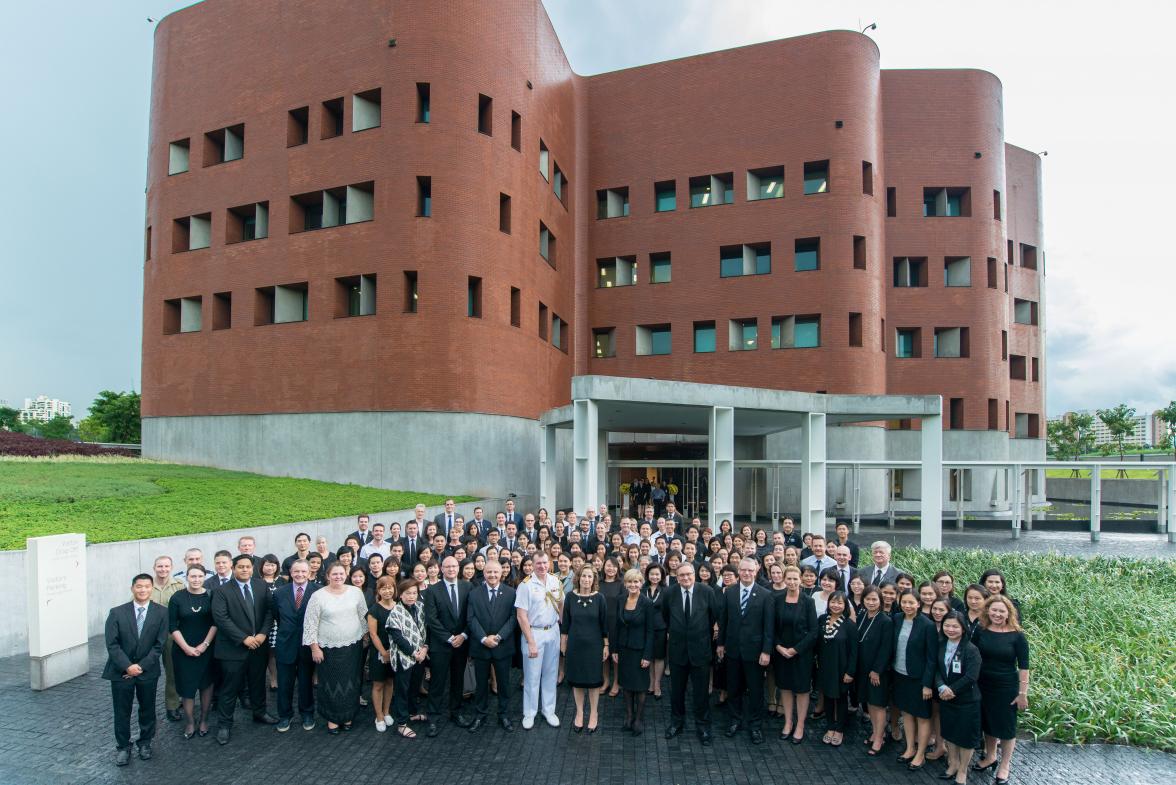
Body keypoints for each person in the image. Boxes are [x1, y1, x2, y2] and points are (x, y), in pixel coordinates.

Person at [211, 555, 277, 745]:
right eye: (240, 567)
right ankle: (224, 724)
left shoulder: (261, 586)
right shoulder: (222, 591)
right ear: (233, 568)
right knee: (230, 687)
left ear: (252, 568)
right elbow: (221, 618)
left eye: (248, 567)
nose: (245, 570)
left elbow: (269, 611)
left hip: (258, 645)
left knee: (258, 682)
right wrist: (243, 639)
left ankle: (260, 712)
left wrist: (263, 633)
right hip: (233, 649)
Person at [103, 573, 168, 766]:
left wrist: (141, 666)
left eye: (147, 587)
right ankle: (123, 746)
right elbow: (112, 644)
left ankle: (145, 742)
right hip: (121, 671)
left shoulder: (161, 612)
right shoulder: (117, 612)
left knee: (147, 709)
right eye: (139, 587)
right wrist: (128, 666)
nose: (143, 590)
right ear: (132, 588)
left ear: (152, 588)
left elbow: (160, 644)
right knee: (122, 711)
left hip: (147, 671)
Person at [302, 562, 368, 734]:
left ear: (346, 574)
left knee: (351, 684)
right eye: (334, 574)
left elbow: (363, 616)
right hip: (328, 649)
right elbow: (310, 624)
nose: (338, 577)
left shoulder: (356, 592)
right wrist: (314, 648)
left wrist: (366, 638)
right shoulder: (318, 596)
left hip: (353, 646)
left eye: (341, 573)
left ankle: (348, 716)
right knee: (331, 684)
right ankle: (332, 718)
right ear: (328, 576)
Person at [973, 595, 1030, 785]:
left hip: (1006, 687)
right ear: (988, 610)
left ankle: (1005, 764)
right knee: (988, 723)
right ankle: (990, 756)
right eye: (994, 610)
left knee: (1006, 727)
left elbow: (1024, 667)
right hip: (982, 684)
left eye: (1001, 611)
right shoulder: (981, 631)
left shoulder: (1017, 636)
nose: (997, 614)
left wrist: (1022, 694)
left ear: (1008, 613)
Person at [717, 557, 773, 744]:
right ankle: (734, 720)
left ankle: (755, 726)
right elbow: (723, 621)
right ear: (738, 571)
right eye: (743, 570)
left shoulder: (765, 594)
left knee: (756, 691)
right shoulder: (729, 592)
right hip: (732, 650)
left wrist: (766, 651)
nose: (747, 573)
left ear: (756, 571)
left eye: (750, 570)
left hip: (755, 652)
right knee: (733, 688)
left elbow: (768, 627)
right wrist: (721, 644)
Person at [663, 562, 719, 745]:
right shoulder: (670, 593)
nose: (685, 578)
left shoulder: (707, 592)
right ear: (676, 577)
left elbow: (713, 617)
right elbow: (666, 616)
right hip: (678, 651)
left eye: (688, 575)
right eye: (681, 576)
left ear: (694, 574)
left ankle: (703, 726)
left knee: (701, 692)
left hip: (700, 651)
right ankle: (676, 723)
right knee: (676, 691)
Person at [422, 555, 473, 736]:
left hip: (462, 643)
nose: (451, 569)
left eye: (454, 566)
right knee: (437, 682)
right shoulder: (432, 590)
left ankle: (456, 712)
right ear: (441, 569)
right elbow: (432, 619)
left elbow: (471, 615)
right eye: (447, 567)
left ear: (458, 568)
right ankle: (433, 717)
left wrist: (464, 635)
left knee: (458, 681)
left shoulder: (468, 587)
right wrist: (450, 638)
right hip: (441, 645)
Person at [167, 563, 217, 740]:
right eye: (193, 576)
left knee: (206, 685)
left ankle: (204, 720)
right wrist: (187, 648)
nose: (196, 580)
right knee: (187, 688)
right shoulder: (177, 597)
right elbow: (172, 626)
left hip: (207, 649)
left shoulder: (211, 596)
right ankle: (189, 722)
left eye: (199, 576)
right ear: (187, 577)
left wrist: (204, 645)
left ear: (205, 577)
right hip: (183, 650)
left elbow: (215, 623)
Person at [467, 559, 517, 732]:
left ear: (502, 573)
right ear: (484, 573)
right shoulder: (474, 594)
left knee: (504, 684)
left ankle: (503, 715)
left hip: (502, 647)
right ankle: (480, 715)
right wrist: (483, 638)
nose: (493, 575)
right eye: (489, 572)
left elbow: (513, 618)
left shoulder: (511, 593)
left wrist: (498, 637)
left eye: (496, 572)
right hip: (481, 647)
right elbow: (471, 619)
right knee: (481, 685)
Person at [269, 559, 319, 733]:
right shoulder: (279, 593)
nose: (300, 575)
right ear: (290, 573)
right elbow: (277, 616)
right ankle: (285, 716)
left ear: (309, 573)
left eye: (303, 572)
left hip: (307, 645)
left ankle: (307, 713)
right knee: (285, 683)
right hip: (285, 644)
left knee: (306, 682)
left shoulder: (317, 592)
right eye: (296, 572)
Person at [515, 551, 564, 729]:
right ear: (532, 565)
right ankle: (529, 713)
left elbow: (561, 605)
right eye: (538, 564)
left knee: (551, 673)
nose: (542, 566)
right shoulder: (525, 585)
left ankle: (549, 710)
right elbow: (521, 616)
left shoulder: (555, 581)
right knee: (532, 675)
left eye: (545, 563)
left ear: (549, 563)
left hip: (552, 631)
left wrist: (562, 630)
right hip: (534, 633)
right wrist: (531, 642)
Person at [892, 589, 937, 770]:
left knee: (922, 716)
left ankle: (920, 754)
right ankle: (909, 748)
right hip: (899, 674)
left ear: (918, 604)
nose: (907, 606)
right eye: (904, 602)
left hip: (918, 679)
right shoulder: (897, 619)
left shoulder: (927, 625)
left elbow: (932, 658)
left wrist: (927, 684)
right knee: (906, 713)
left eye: (911, 603)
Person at [772, 565, 817, 744]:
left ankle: (800, 725)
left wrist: (796, 649)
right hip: (782, 652)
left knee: (802, 689)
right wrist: (778, 646)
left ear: (801, 580)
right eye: (788, 579)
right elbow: (772, 627)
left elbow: (814, 631)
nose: (791, 582)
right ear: (784, 579)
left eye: (795, 579)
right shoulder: (777, 599)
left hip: (801, 653)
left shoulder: (808, 601)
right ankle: (788, 722)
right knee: (785, 687)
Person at [936, 611, 983, 785]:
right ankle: (953, 763)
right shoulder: (941, 645)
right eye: (947, 625)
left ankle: (963, 770)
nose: (950, 629)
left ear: (963, 628)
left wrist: (952, 690)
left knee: (965, 737)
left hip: (966, 700)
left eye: (955, 626)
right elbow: (936, 669)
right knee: (950, 733)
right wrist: (942, 686)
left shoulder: (971, 649)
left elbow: (971, 676)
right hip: (946, 698)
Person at [562, 565, 609, 733]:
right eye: (584, 576)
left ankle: (594, 714)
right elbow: (565, 623)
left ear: (594, 580)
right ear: (578, 578)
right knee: (578, 681)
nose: (586, 580)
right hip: (575, 645)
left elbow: (605, 624)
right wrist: (563, 643)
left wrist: (606, 645)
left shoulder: (600, 598)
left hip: (594, 646)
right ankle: (580, 714)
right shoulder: (569, 597)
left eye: (590, 577)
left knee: (593, 682)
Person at [612, 568, 654, 735]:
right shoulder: (620, 599)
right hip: (623, 649)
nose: (633, 584)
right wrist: (614, 648)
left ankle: (639, 718)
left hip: (640, 650)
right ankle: (628, 716)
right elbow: (616, 626)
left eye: (636, 581)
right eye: (630, 581)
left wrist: (647, 655)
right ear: (625, 584)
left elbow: (650, 631)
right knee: (627, 684)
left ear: (641, 583)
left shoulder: (647, 603)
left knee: (640, 686)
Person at [386, 579, 429, 738]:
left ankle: (412, 713)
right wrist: (414, 653)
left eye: (414, 593)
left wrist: (424, 648)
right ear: (400, 594)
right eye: (407, 593)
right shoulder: (395, 612)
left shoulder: (420, 607)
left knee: (414, 686)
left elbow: (427, 629)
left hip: (420, 655)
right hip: (404, 657)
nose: (411, 596)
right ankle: (402, 723)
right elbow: (397, 637)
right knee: (402, 690)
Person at [854, 585, 894, 755]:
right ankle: (876, 732)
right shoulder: (862, 615)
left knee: (878, 705)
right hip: (862, 668)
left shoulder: (885, 621)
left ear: (880, 601)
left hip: (877, 671)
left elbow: (886, 649)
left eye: (874, 599)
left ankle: (879, 738)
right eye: (868, 599)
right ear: (863, 600)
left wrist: (877, 670)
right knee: (869, 703)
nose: (871, 602)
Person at [816, 591, 857, 746]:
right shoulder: (822, 620)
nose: (836, 605)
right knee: (827, 696)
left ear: (845, 605)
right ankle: (830, 726)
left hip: (842, 668)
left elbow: (854, 652)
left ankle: (839, 729)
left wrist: (850, 672)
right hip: (825, 666)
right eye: (833, 602)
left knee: (840, 698)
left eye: (840, 603)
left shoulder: (849, 625)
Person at [148, 555, 185, 723]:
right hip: (150, 636)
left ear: (171, 567)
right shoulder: (146, 586)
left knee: (172, 671)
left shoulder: (178, 586)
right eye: (160, 566)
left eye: (166, 566)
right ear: (154, 567)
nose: (163, 569)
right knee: (147, 672)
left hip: (171, 635)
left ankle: (172, 705)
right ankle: (147, 706)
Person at [367, 576, 398, 732]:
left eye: (390, 587)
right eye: (383, 588)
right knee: (378, 683)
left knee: (390, 682)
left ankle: (386, 711)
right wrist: (383, 653)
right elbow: (373, 634)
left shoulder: (399, 606)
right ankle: (378, 716)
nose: (387, 591)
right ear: (378, 591)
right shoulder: (374, 610)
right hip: (380, 652)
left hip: (395, 651)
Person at [599, 558, 625, 697]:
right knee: (604, 654)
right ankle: (606, 681)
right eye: (608, 566)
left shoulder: (621, 584)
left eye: (614, 566)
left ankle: (616, 682)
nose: (611, 569)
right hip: (600, 623)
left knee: (615, 654)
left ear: (618, 568)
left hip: (616, 623)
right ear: (604, 567)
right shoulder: (598, 583)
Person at [644, 563, 668, 699]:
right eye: (652, 574)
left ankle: (657, 684)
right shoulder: (643, 589)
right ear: (647, 575)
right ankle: (651, 683)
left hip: (660, 627)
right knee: (649, 656)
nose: (654, 576)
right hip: (645, 627)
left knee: (659, 656)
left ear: (662, 576)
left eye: (657, 574)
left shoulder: (666, 590)